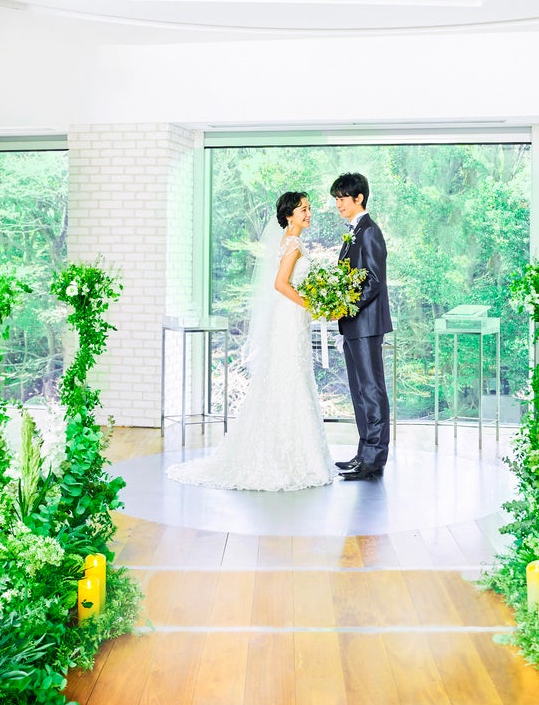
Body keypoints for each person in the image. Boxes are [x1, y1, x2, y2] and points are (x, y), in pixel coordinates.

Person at [165, 190, 336, 491]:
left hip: (291, 317)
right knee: (290, 376)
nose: (309, 214)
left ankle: (292, 451)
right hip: (290, 316)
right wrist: (313, 305)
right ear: (289, 216)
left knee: (290, 376)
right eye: (303, 210)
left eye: (309, 209)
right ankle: (291, 458)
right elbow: (280, 284)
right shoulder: (293, 244)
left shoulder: (289, 241)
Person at [330, 172, 391, 481]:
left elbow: (374, 281)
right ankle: (363, 453)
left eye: (343, 198)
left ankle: (374, 458)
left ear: (359, 198)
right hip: (353, 325)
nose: (338, 204)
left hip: (365, 323)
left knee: (371, 391)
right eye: (337, 199)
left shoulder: (369, 232)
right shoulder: (354, 232)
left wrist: (345, 307)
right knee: (358, 392)